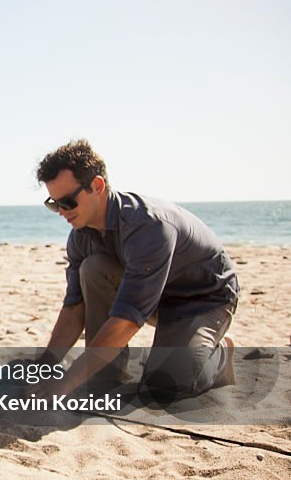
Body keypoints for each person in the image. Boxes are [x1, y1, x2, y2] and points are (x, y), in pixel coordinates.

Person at [33, 139, 239, 400]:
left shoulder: (149, 226)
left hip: (202, 301)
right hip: (151, 298)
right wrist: (44, 366)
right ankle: (107, 372)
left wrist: (67, 383)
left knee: (164, 389)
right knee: (92, 267)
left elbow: (127, 320)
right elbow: (74, 308)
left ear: (97, 186)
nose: (61, 212)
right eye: (53, 204)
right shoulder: (80, 236)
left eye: (68, 202)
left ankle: (219, 355)